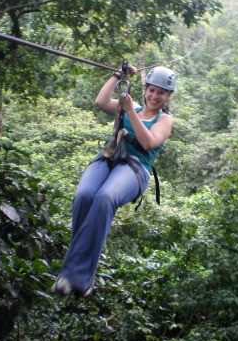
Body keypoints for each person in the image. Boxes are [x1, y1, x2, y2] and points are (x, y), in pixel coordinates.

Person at [51, 64, 176, 296]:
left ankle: (77, 277)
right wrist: (117, 76)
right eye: (152, 90)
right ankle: (76, 274)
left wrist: (129, 111)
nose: (155, 96)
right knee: (84, 195)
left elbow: (148, 142)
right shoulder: (133, 106)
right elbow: (100, 102)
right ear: (145, 89)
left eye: (161, 92)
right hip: (109, 157)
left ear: (167, 96)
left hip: (135, 168)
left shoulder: (164, 120)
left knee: (105, 197)